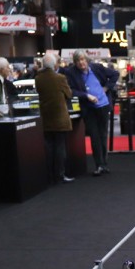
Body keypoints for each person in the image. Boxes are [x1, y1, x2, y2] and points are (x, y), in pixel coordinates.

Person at [64, 50, 119, 176]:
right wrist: (86, 96)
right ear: (75, 63)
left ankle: (105, 163)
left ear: (86, 60)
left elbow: (115, 74)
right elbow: (71, 91)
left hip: (103, 105)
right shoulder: (71, 72)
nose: (81, 63)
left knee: (103, 135)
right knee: (94, 137)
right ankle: (99, 165)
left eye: (82, 60)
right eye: (78, 61)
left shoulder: (97, 68)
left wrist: (107, 87)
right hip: (89, 108)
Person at [36, 52, 74, 184]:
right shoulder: (60, 78)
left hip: (46, 117)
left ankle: (50, 174)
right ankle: (60, 174)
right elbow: (69, 94)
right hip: (60, 118)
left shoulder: (38, 78)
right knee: (60, 147)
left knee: (49, 146)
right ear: (54, 65)